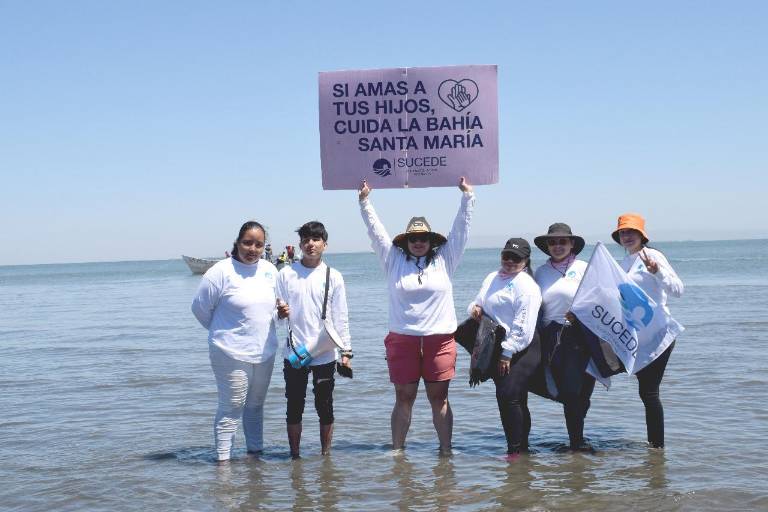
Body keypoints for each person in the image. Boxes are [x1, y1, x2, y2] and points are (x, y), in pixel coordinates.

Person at [358, 177, 474, 454]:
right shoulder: (393, 260)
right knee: (403, 397)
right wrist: (364, 201)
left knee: (439, 399)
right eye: (413, 238)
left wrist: (468, 197)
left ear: (431, 241)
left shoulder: (446, 259)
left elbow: (461, 230)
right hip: (403, 340)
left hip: (440, 341)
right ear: (406, 241)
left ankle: (446, 451)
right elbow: (377, 233)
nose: (418, 242)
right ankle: (397, 453)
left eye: (423, 238)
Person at [191, 220, 283, 463]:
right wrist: (224, 332)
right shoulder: (220, 271)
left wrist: (280, 314)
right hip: (228, 352)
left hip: (265, 351)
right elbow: (200, 309)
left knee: (255, 406)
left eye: (258, 244)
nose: (252, 249)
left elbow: (270, 310)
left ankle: (255, 456)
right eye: (247, 242)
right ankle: (223, 463)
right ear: (237, 243)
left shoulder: (270, 270)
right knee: (231, 406)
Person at [276, 221, 353, 458]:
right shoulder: (286, 274)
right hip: (295, 351)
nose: (311, 244)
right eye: (306, 240)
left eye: (316, 239)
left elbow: (341, 317)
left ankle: (325, 457)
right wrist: (279, 313)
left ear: (325, 244)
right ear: (300, 244)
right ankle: (295, 457)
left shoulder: (334, 276)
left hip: (325, 352)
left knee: (325, 407)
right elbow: (274, 314)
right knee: (294, 407)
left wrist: (346, 353)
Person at [612, 213, 683, 448]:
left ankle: (657, 448)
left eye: (631, 232)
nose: (627, 236)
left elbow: (677, 290)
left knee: (649, 393)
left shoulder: (652, 256)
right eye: (623, 232)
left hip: (658, 334)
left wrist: (657, 272)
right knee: (645, 393)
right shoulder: (623, 264)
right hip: (636, 337)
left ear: (642, 235)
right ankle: (654, 451)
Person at [467, 238, 542, 459]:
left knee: (508, 396)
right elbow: (477, 301)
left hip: (522, 346)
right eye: (506, 256)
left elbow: (524, 324)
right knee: (513, 398)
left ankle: (515, 450)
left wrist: (508, 353)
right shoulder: (493, 277)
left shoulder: (526, 285)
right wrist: (475, 308)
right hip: (496, 344)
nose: (509, 261)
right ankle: (522, 448)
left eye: (516, 258)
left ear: (526, 261)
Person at [532, 223, 594, 450]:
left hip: (585, 335)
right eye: (552, 242)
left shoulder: (585, 267)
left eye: (562, 241)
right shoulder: (541, 272)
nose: (557, 246)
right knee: (569, 392)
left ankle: (578, 438)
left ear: (572, 244)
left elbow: (601, 297)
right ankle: (576, 444)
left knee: (584, 393)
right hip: (555, 338)